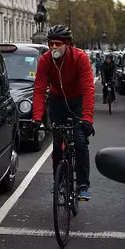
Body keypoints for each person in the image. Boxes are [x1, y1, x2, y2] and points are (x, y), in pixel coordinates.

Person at [31, 25, 96, 200]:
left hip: (77, 100)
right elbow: (39, 90)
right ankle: (59, 181)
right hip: (57, 100)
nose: (53, 47)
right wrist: (37, 118)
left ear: (67, 44)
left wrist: (87, 119)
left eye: (57, 44)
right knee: (58, 143)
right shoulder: (45, 60)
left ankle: (82, 184)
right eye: (51, 44)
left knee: (80, 141)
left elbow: (88, 89)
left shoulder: (80, 58)